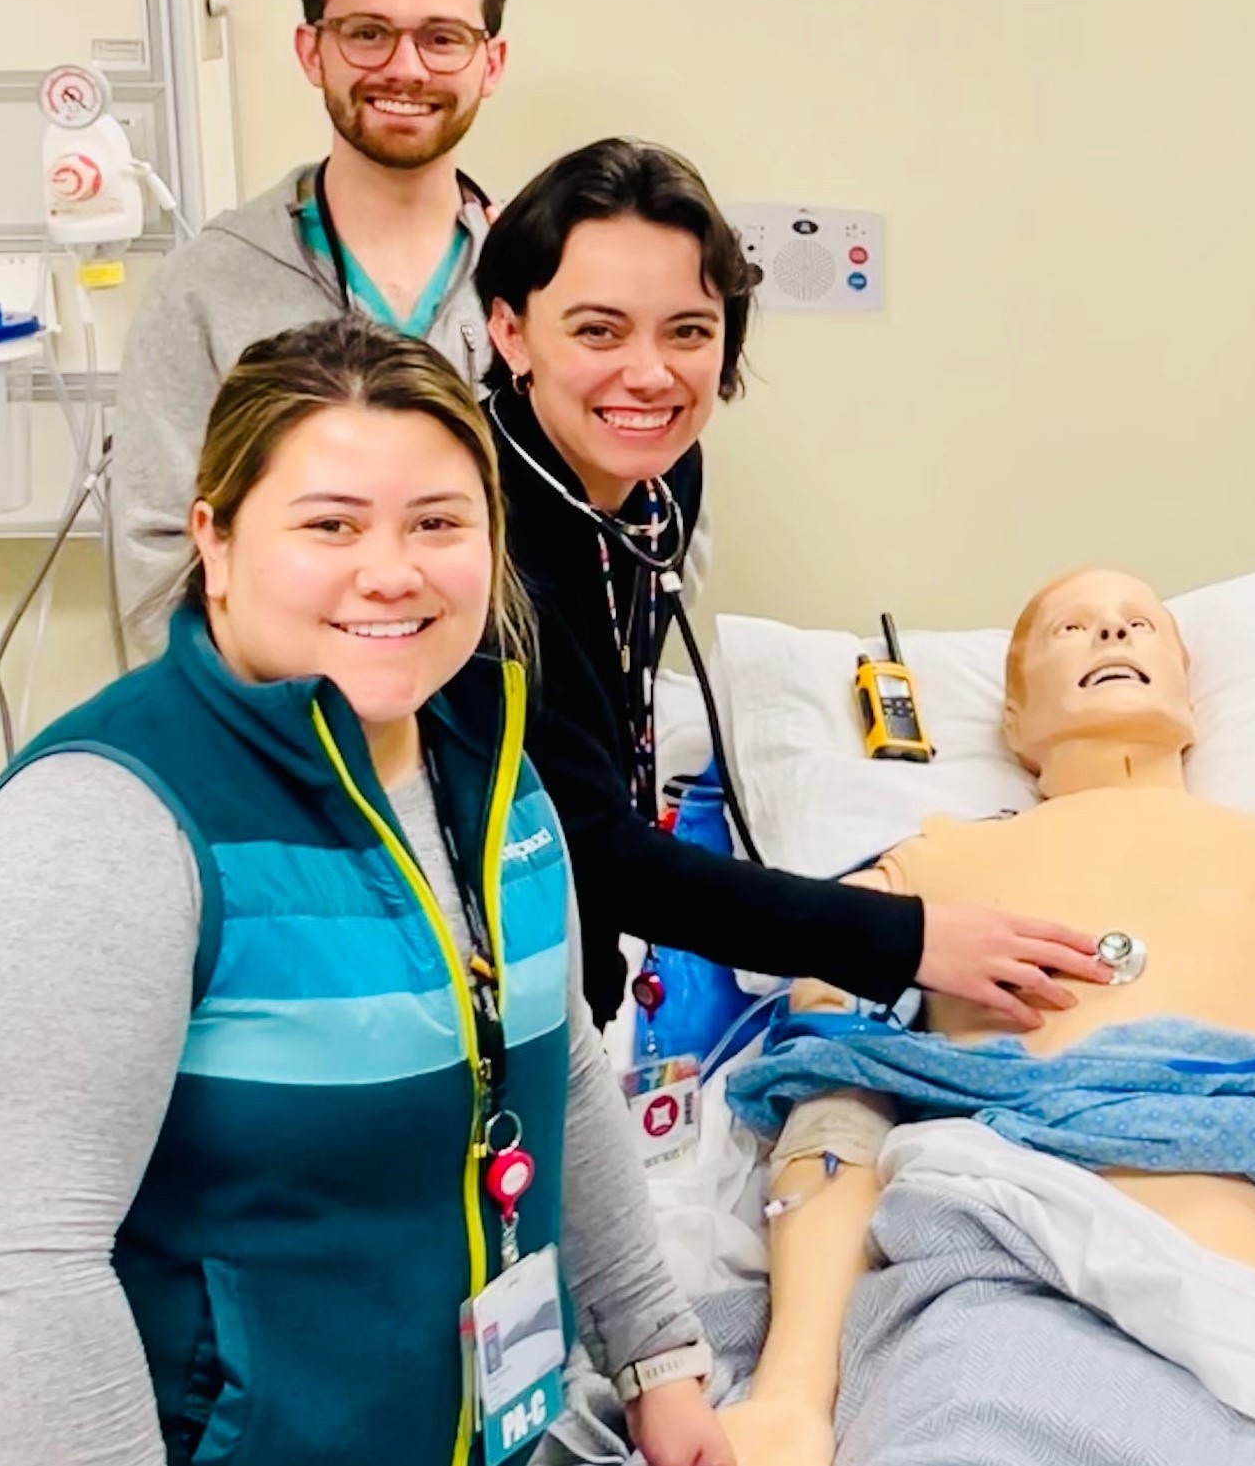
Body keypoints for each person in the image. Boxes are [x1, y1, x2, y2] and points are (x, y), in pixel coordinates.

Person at [0, 317, 733, 1466]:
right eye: (330, 524)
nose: (393, 569)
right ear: (216, 542)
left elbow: (559, 1058)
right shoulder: (103, 824)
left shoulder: (493, 777)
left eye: (438, 522)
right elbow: (26, 1269)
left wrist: (659, 1358)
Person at [709, 567, 1255, 1466]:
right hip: (997, 1287)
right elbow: (834, 1101)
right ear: (1013, 721)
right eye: (1072, 629)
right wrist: (792, 1394)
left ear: (1193, 694)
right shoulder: (919, 873)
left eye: (1139, 624)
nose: (1113, 636)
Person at [472, 135, 1113, 1032]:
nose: (651, 374)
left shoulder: (662, 482)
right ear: (510, 331)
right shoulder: (465, 540)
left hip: (575, 972)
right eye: (597, 330)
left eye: (688, 331)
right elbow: (589, 851)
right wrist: (909, 938)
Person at [116, 0, 516, 654]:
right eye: (368, 34)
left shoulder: (538, 278)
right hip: (271, 742)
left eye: (442, 38)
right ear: (312, 51)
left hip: (507, 734)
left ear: (489, 63)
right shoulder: (211, 285)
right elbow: (155, 559)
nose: (406, 67)